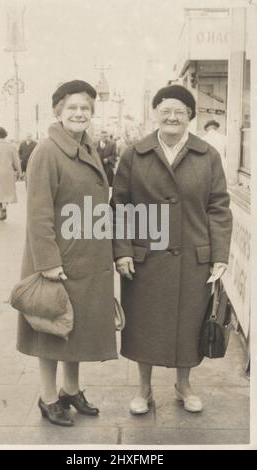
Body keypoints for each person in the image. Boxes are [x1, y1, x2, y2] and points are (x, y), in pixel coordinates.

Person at [111, 85, 232, 415]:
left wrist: (220, 255)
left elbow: (219, 207)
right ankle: (144, 390)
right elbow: (120, 205)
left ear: (191, 116)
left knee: (189, 324)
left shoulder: (208, 155)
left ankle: (183, 385)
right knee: (144, 325)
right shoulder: (134, 154)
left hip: (194, 258)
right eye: (166, 110)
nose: (172, 117)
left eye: (180, 111)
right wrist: (121, 251)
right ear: (156, 114)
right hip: (144, 258)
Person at [17, 80, 117, 426]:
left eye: (85, 108)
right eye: (72, 107)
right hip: (58, 260)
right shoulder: (47, 151)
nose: (79, 113)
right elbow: (38, 213)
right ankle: (48, 397)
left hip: (85, 256)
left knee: (76, 327)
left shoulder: (85, 146)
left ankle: (71, 390)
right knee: (51, 326)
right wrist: (47, 263)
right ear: (57, 110)